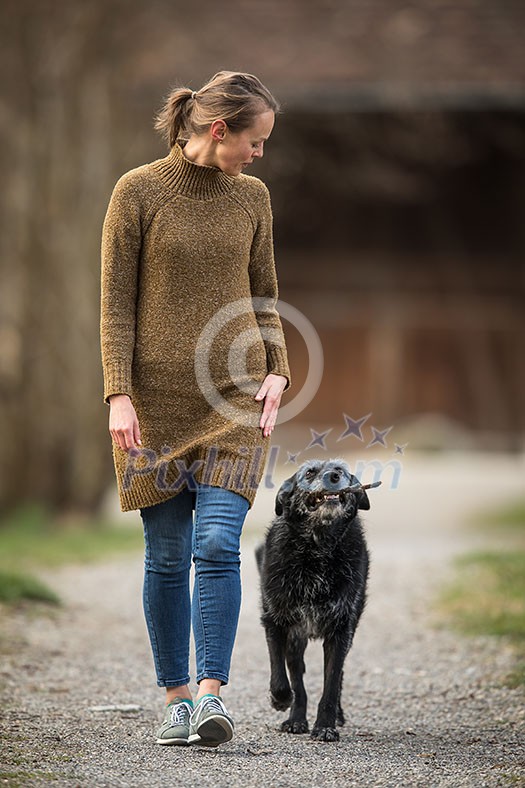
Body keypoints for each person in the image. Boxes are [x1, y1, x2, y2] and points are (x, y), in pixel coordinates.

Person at [100, 71, 291, 748]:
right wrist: (118, 392)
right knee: (166, 555)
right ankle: (176, 698)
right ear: (220, 131)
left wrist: (278, 371)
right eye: (255, 140)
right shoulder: (137, 192)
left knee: (215, 544)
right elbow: (116, 303)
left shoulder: (252, 198)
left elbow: (264, 293)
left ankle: (212, 695)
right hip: (154, 405)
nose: (259, 153)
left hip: (234, 403)